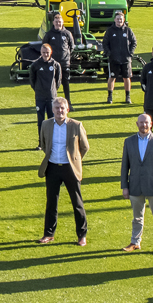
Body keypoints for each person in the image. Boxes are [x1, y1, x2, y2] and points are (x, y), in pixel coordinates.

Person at [37, 97, 89, 245]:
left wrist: (75, 159)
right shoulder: (46, 124)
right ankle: (48, 233)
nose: (59, 111)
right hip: (52, 167)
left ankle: (81, 234)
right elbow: (44, 143)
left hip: (70, 168)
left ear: (67, 110)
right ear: (52, 110)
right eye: (57, 108)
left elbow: (84, 147)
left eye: (62, 108)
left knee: (77, 203)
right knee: (51, 202)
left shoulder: (76, 125)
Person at [120, 113, 153, 255]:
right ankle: (135, 242)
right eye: (141, 123)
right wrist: (125, 186)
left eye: (146, 123)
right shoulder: (129, 142)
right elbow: (125, 166)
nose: (144, 125)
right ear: (137, 124)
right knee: (137, 217)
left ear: (151, 124)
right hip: (135, 185)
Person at [103, 11, 137, 104]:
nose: (119, 21)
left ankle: (128, 97)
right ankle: (110, 97)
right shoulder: (110, 31)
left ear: (123, 20)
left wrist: (130, 52)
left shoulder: (128, 30)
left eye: (121, 19)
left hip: (126, 59)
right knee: (112, 77)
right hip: (114, 59)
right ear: (114, 20)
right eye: (117, 19)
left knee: (127, 78)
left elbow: (134, 42)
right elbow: (105, 43)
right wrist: (109, 53)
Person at [29, 42, 62, 127]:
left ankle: (51, 139)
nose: (45, 54)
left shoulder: (56, 65)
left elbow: (58, 80)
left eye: (47, 52)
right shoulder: (35, 65)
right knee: (41, 121)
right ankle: (41, 139)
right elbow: (32, 80)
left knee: (52, 120)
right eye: (44, 52)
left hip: (51, 97)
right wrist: (38, 89)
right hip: (40, 97)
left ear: (51, 52)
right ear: (41, 52)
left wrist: (53, 90)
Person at [43, 16, 75, 103]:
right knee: (53, 83)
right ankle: (52, 102)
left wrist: (67, 57)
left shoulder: (67, 33)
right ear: (53, 22)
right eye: (56, 22)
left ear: (62, 22)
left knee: (66, 83)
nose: (58, 23)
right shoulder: (49, 34)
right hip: (52, 63)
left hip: (64, 63)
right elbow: (44, 47)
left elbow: (71, 47)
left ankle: (68, 102)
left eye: (59, 21)